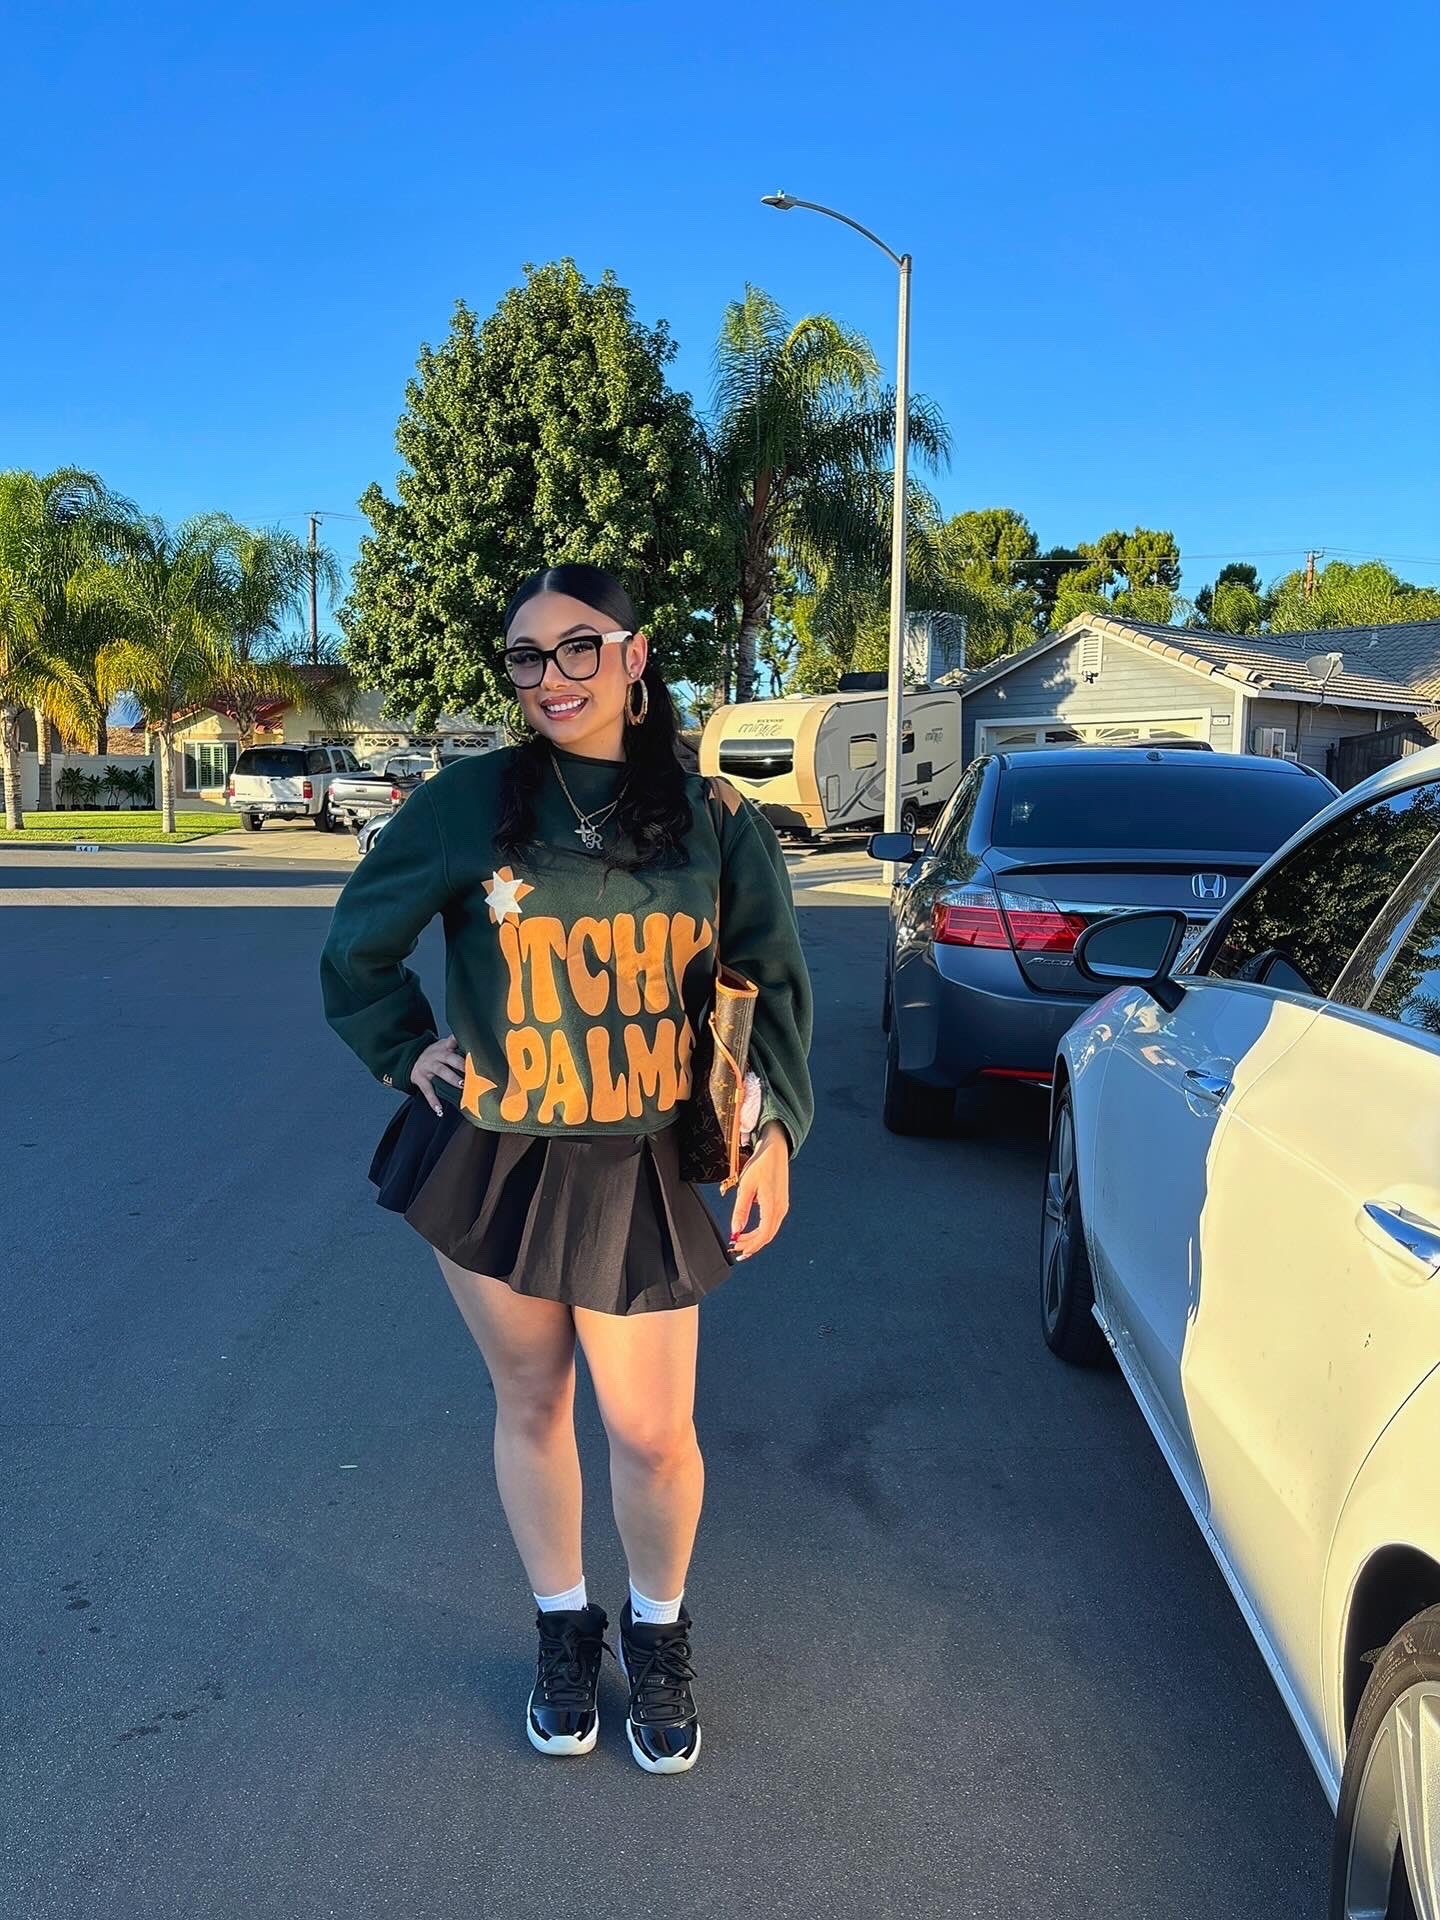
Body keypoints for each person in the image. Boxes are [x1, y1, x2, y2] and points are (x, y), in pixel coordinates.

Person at [320, 563, 813, 1774]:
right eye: (528, 655)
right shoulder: (466, 803)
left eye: (580, 646)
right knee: (533, 1403)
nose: (553, 675)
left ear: (635, 658)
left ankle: (658, 1630)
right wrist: (404, 1050)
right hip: (494, 1154)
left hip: (641, 1160)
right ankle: (561, 1627)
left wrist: (775, 1132)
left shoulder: (714, 816)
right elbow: (357, 948)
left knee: (652, 1433)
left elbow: (773, 980)